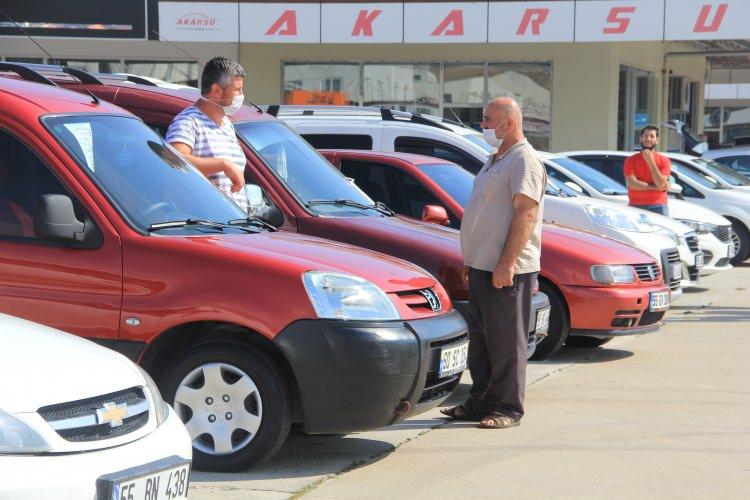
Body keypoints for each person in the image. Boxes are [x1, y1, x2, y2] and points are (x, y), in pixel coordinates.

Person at [442, 97, 546, 429]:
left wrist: (506, 263)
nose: (483, 125)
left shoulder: (523, 161)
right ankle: (480, 402)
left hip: (507, 270)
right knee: (483, 341)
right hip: (483, 265)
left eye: (488, 120)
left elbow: (526, 215)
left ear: (509, 122)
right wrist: (473, 259)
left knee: (506, 343)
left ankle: (508, 408)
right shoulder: (495, 159)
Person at [166, 56, 248, 211]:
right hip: (205, 227)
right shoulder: (188, 121)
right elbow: (174, 161)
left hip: (235, 227)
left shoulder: (227, 125)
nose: (241, 95)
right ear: (216, 90)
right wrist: (223, 164)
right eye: (237, 90)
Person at [623, 125, 671, 216]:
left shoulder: (664, 161)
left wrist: (650, 161)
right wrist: (657, 187)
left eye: (652, 136)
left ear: (657, 140)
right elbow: (634, 185)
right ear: (641, 139)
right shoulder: (630, 160)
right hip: (636, 206)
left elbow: (661, 183)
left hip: (658, 206)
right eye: (645, 136)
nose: (648, 139)